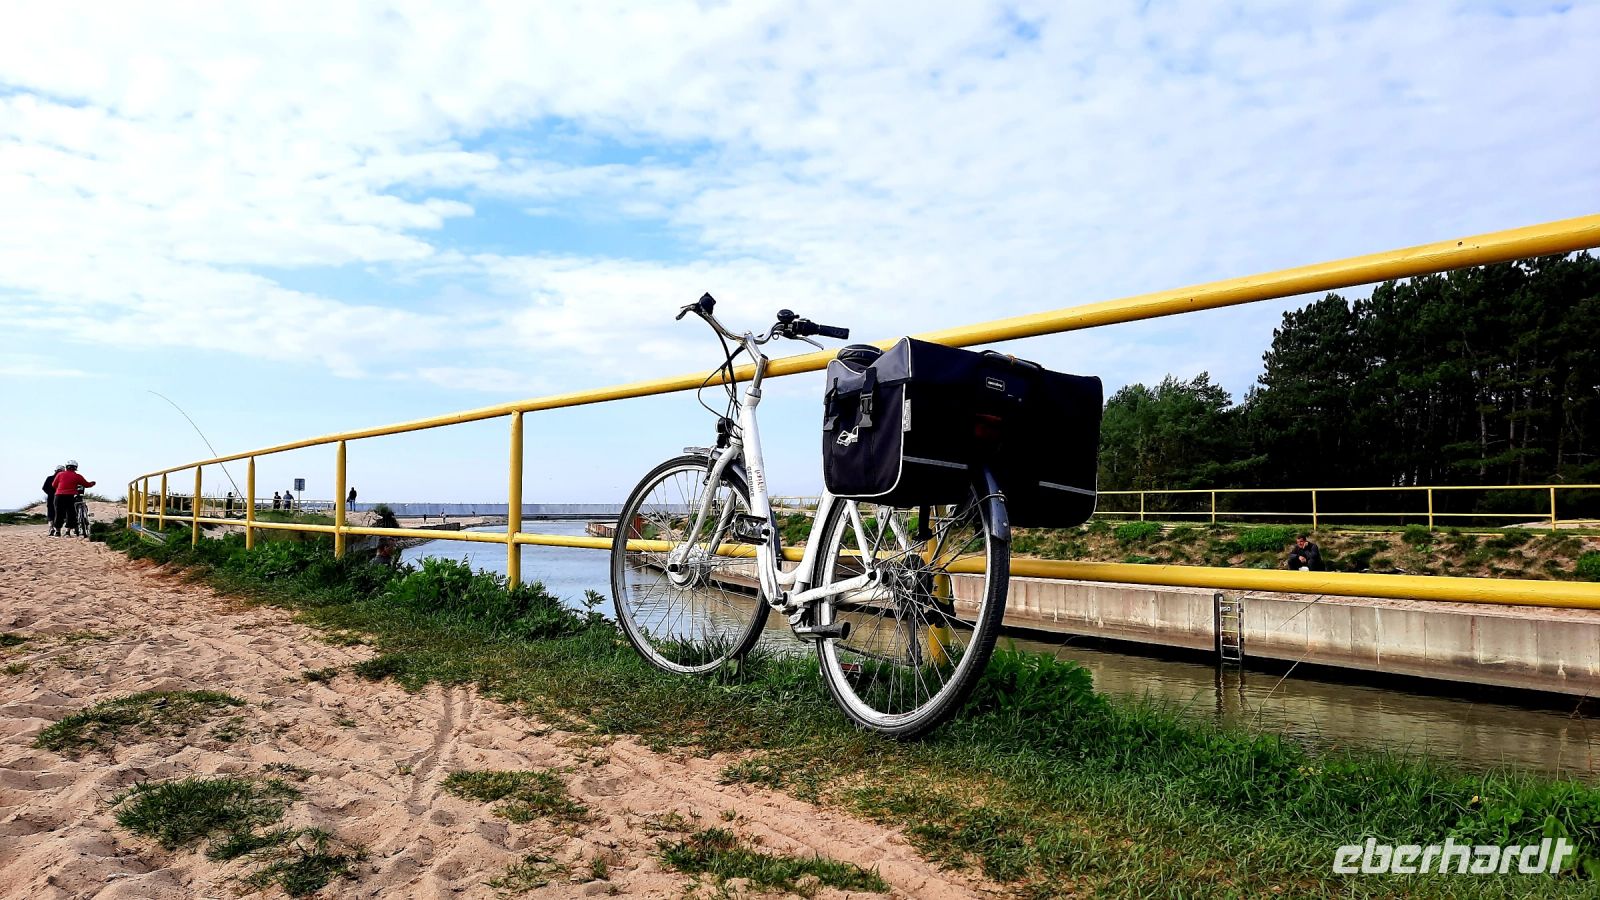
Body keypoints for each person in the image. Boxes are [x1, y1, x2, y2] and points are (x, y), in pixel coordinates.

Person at [51, 460, 95, 537]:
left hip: (59, 496)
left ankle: (57, 532)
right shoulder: (77, 476)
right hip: (70, 496)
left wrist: (61, 488)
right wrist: (92, 483)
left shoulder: (60, 474)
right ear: (75, 468)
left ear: (66, 467)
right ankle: (68, 532)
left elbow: (54, 485)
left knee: (59, 514)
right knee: (70, 513)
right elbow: (86, 484)